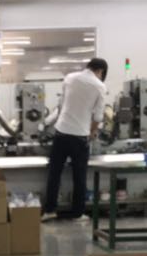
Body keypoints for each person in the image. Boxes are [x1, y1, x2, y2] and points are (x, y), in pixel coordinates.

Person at [42, 58, 108, 222]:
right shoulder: (99, 86)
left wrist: (50, 123)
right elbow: (98, 117)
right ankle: (77, 213)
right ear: (100, 71)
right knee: (79, 176)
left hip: (61, 133)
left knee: (54, 173)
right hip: (80, 137)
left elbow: (61, 106)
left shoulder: (70, 78)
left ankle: (49, 210)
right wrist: (92, 132)